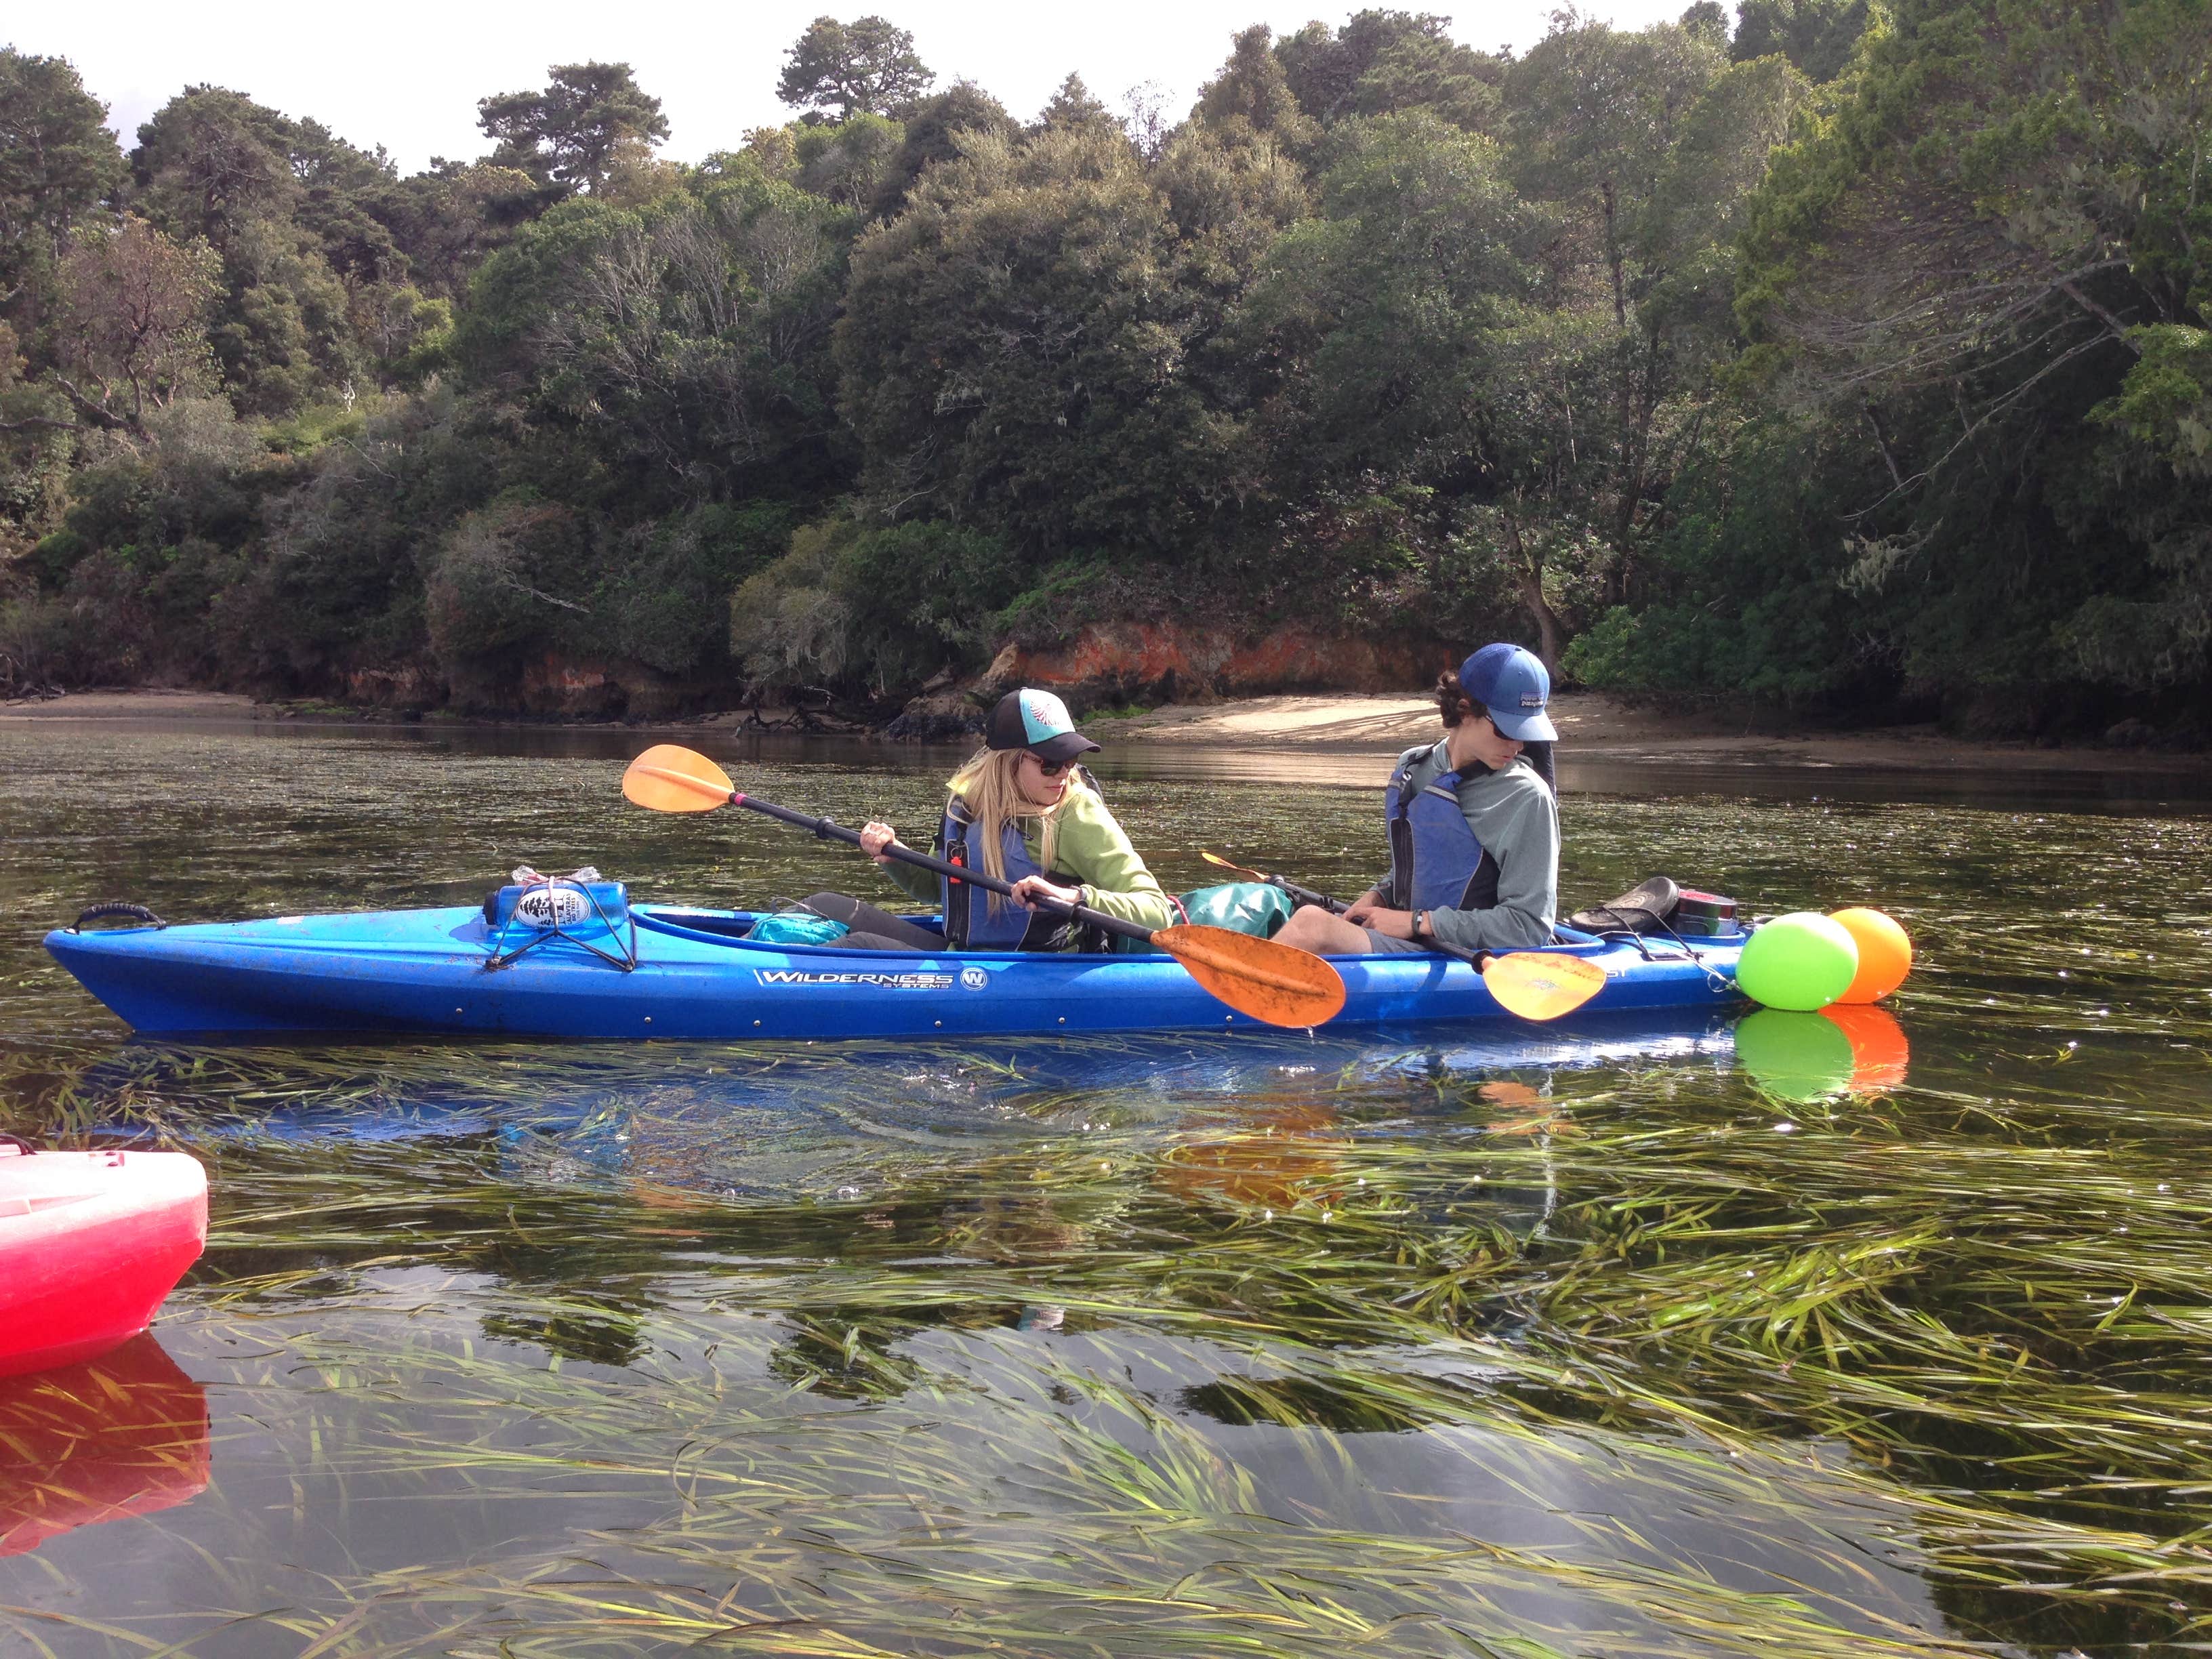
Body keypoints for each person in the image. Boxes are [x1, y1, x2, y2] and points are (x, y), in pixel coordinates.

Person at [802, 688, 1176, 951]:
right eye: (1050, 763)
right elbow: (935, 887)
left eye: (1070, 760)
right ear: (1007, 763)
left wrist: (1074, 896)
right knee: (823, 904)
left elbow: (1157, 912)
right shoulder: (966, 805)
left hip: (1032, 971)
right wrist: (894, 855)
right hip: (963, 955)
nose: (1064, 773)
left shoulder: (1076, 813)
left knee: (859, 946)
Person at [1273, 643, 1560, 957]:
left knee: (1312, 925)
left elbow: (1530, 927)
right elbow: (1423, 869)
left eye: (1527, 731)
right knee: (1306, 922)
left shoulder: (1527, 797)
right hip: (1415, 942)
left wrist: (1419, 922)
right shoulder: (1414, 768)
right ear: (1465, 710)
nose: (1518, 745)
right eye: (1507, 730)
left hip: (1461, 955)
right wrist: (1380, 895)